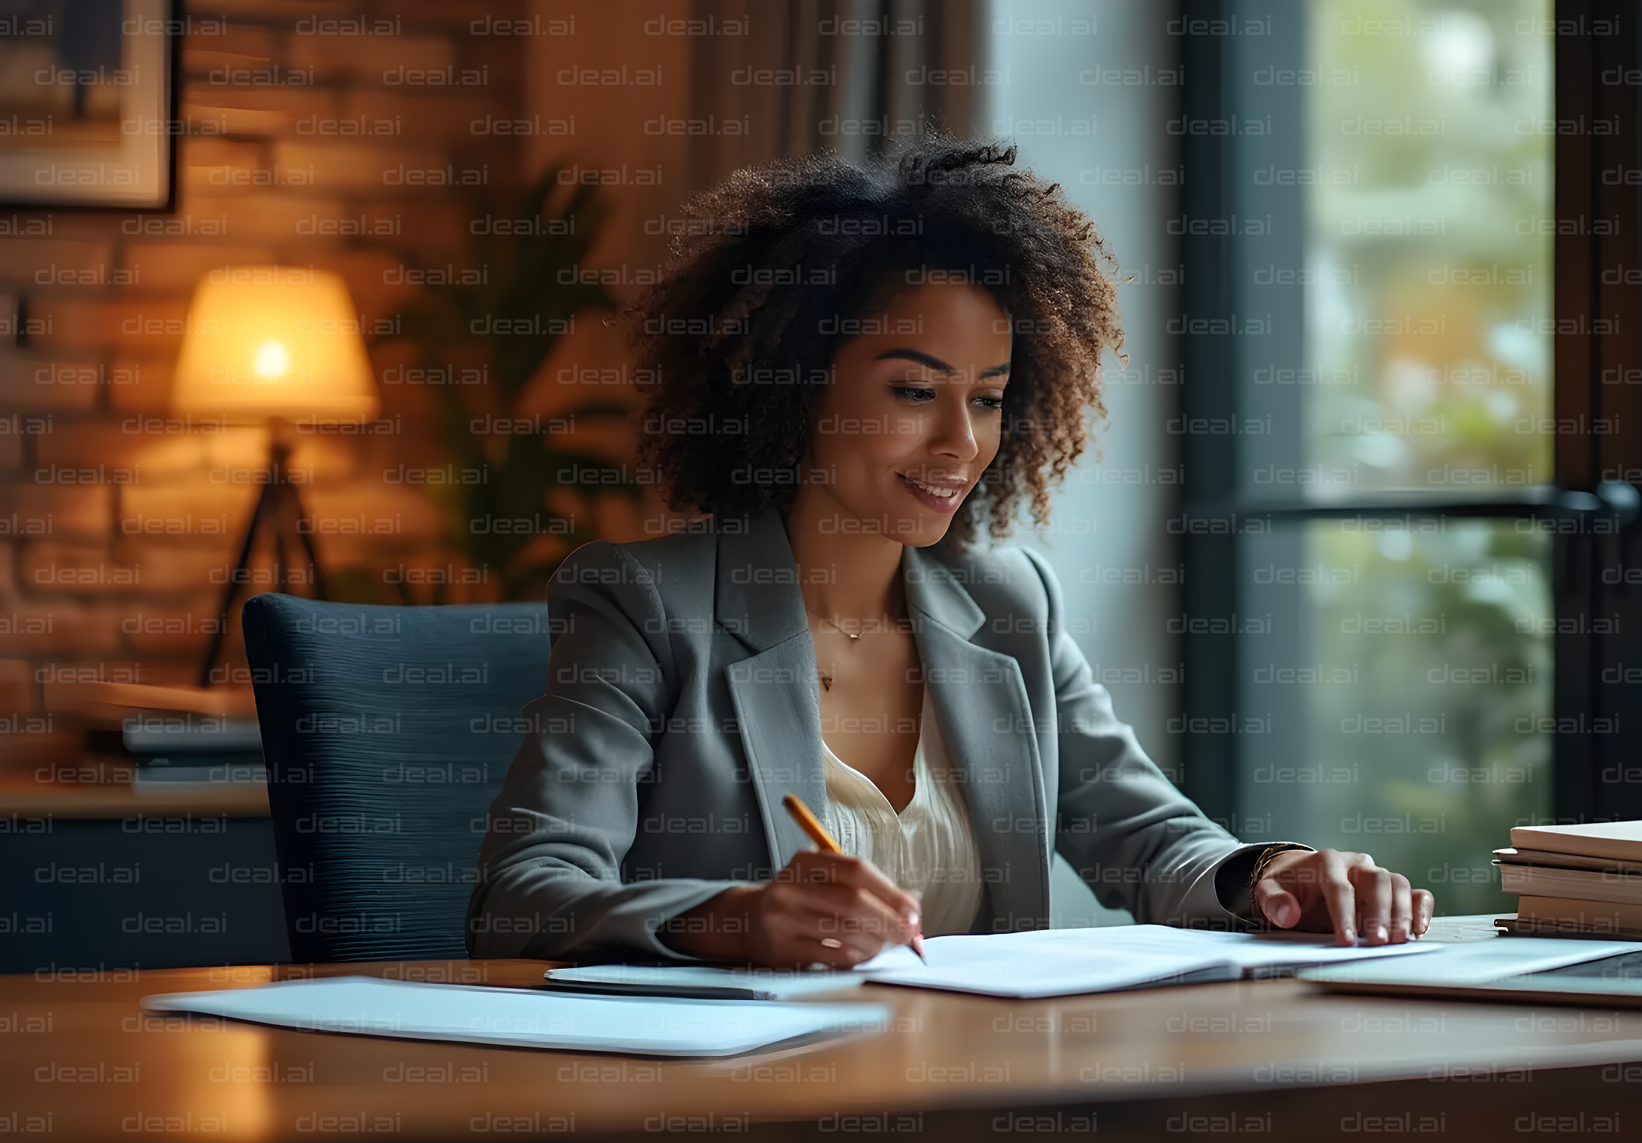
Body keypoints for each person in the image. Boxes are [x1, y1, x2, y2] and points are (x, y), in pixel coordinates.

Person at [466, 136, 1435, 967]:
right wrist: (736, 917)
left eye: (985, 397)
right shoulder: (642, 604)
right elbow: (520, 898)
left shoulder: (1009, 602)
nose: (960, 445)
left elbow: (1143, 837)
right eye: (911, 391)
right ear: (790, 382)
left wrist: (1267, 877)